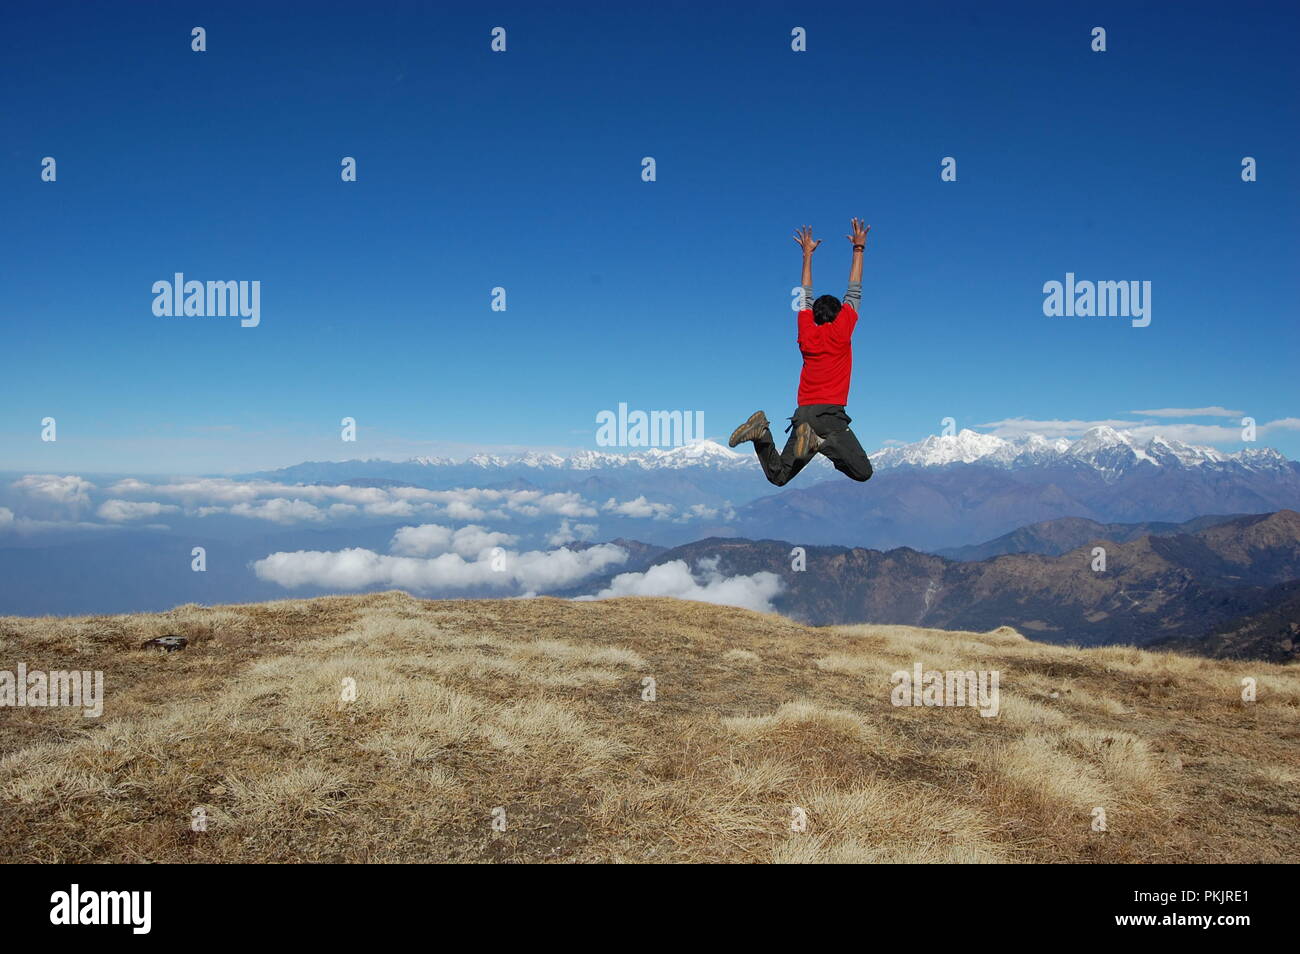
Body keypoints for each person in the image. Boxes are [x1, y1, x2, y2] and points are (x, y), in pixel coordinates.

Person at [728, 219, 874, 486]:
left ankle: (762, 434)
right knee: (863, 472)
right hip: (829, 417)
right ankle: (818, 442)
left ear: (815, 316)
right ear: (840, 315)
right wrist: (859, 248)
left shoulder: (806, 332)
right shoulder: (842, 331)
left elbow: (805, 295)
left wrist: (807, 255)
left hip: (804, 414)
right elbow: (855, 288)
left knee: (779, 476)